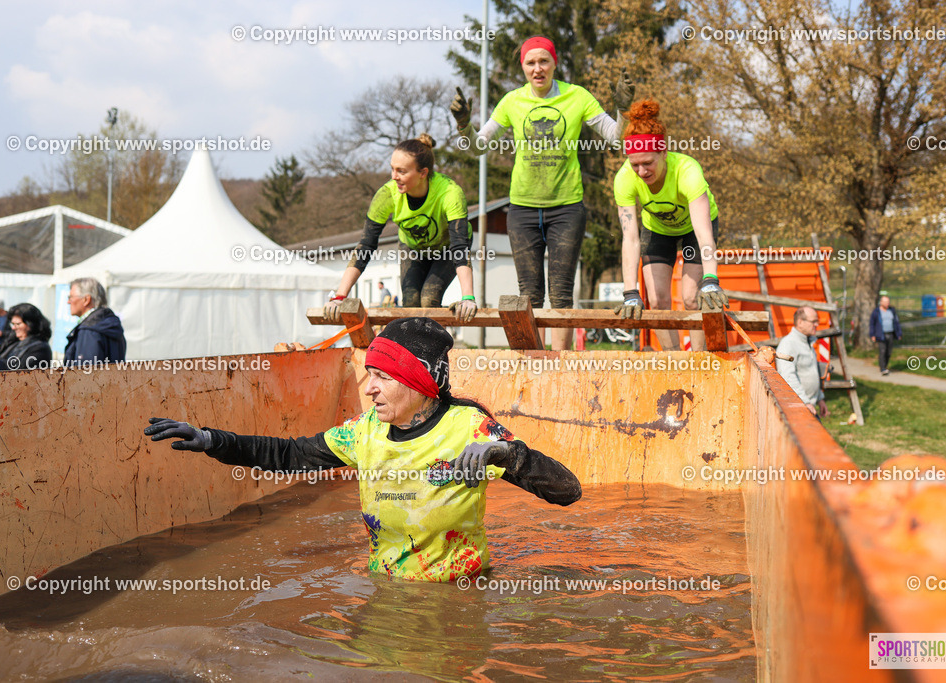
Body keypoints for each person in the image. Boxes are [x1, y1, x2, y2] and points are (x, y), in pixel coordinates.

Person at [145, 317, 581, 582]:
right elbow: (289, 455)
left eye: (383, 376)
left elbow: (568, 491)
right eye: (369, 373)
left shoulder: (470, 429)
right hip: (386, 593)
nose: (368, 387)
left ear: (419, 382)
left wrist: (505, 455)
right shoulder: (364, 431)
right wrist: (211, 440)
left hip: (458, 600)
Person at [452, 37, 634, 349]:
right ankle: (534, 363)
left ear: (554, 63)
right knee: (530, 293)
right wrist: (465, 126)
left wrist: (623, 109)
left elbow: (615, 138)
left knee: (562, 292)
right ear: (523, 67)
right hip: (522, 209)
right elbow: (477, 148)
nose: (538, 69)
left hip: (566, 208)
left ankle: (560, 366)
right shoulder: (512, 101)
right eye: (530, 63)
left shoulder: (577, 96)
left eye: (543, 61)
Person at [611, 99, 727, 351]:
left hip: (694, 231)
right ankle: (673, 360)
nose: (641, 172)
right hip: (657, 230)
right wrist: (630, 291)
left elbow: (703, 233)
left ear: (663, 153)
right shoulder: (623, 179)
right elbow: (630, 238)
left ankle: (698, 359)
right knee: (657, 298)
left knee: (691, 297)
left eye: (648, 163)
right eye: (635, 165)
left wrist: (710, 277)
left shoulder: (687, 171)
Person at [324, 135, 477, 324]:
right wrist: (340, 296)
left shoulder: (450, 193)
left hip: (446, 249)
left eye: (401, 171)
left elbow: (459, 248)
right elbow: (365, 246)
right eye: (392, 169)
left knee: (429, 299)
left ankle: (434, 349)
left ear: (423, 173)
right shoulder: (387, 195)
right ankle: (411, 350)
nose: (394, 176)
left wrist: (468, 297)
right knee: (410, 303)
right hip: (412, 247)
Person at [776, 306, 828, 419]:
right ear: (800, 322)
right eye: (813, 321)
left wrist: (820, 399)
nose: (817, 324)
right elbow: (787, 376)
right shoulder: (788, 344)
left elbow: (812, 372)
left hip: (807, 406)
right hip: (797, 409)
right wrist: (805, 402)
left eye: (817, 321)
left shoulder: (808, 342)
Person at [64, 277, 127, 364]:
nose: (68, 302)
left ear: (86, 300)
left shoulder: (89, 330)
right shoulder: (111, 324)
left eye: (70, 297)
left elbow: (86, 372)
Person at [0, 303, 52, 372]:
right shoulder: (15, 342)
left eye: (18, 324)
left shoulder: (40, 348)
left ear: (31, 325)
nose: (13, 328)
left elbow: (16, 372)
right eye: (13, 324)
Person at [869, 295, 902, 375]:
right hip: (881, 334)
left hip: (890, 334)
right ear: (881, 302)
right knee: (882, 351)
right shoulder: (876, 312)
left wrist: (899, 333)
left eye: (888, 301)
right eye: (886, 302)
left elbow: (896, 322)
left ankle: (885, 366)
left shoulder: (892, 311)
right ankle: (883, 368)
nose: (887, 303)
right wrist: (872, 334)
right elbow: (872, 324)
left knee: (888, 352)